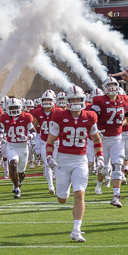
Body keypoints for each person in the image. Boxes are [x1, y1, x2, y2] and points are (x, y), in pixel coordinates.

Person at [45, 86, 102, 242]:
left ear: (83, 100)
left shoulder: (90, 116)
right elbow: (50, 141)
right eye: (73, 99)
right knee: (62, 199)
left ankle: (76, 230)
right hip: (63, 159)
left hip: (80, 159)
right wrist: (49, 156)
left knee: (80, 194)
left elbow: (96, 139)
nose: (76, 102)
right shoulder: (58, 116)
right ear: (67, 101)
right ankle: (65, 189)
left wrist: (100, 157)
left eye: (78, 99)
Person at [89, 78, 128, 206]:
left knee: (118, 164)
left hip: (117, 138)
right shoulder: (99, 100)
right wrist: (95, 131)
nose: (112, 88)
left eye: (114, 85)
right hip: (102, 139)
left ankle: (116, 196)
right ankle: (100, 183)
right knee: (104, 168)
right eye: (109, 85)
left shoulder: (124, 99)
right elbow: (92, 118)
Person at [0, 99, 34, 199]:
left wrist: (28, 137)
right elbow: (0, 129)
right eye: (11, 108)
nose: (13, 110)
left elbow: (33, 132)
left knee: (21, 172)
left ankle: (19, 181)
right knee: (13, 164)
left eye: (15, 108)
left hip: (23, 147)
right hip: (11, 145)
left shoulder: (26, 117)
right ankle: (17, 189)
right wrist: (0, 140)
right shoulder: (4, 117)